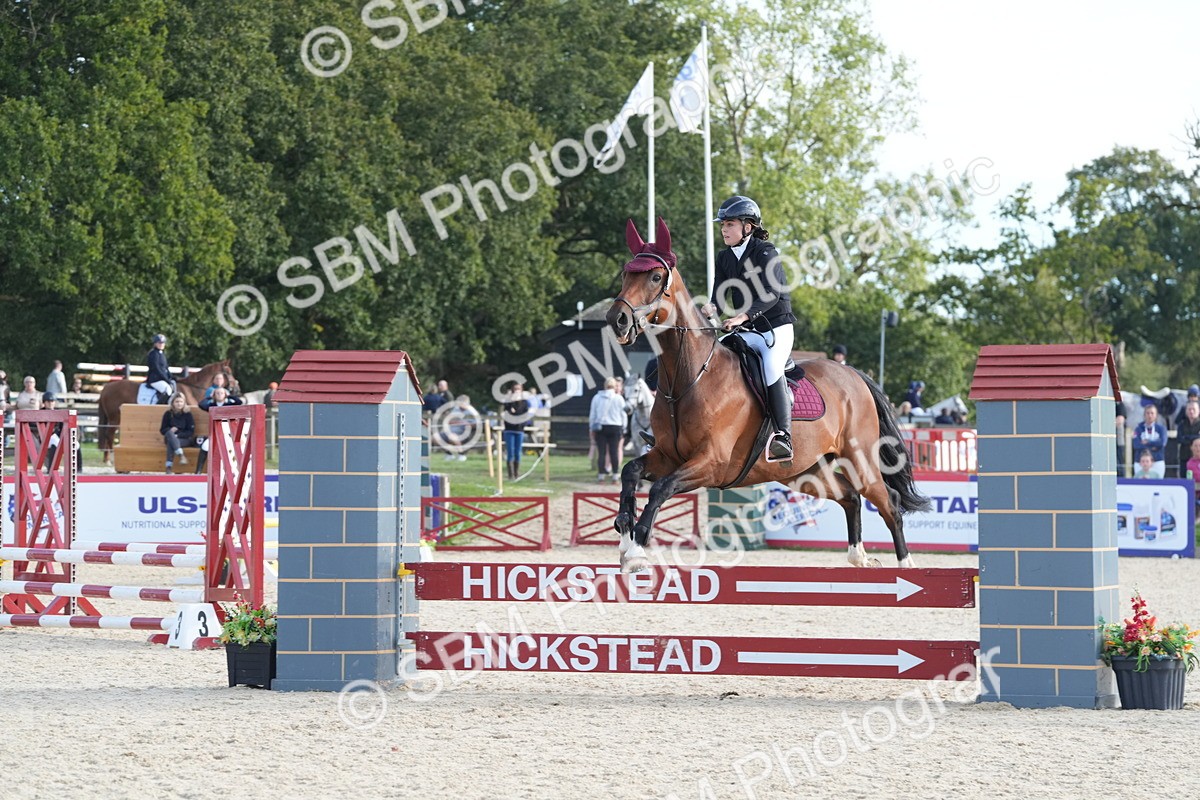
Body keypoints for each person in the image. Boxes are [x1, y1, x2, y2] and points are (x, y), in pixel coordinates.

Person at [700, 195, 797, 461]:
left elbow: (771, 293)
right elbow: (720, 296)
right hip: (749, 330)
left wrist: (742, 317)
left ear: (748, 226)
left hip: (775, 328)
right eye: (723, 225)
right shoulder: (725, 257)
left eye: (729, 224)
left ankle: (783, 436)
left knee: (770, 366)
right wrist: (708, 310)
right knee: (715, 360)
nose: (723, 229)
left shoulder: (766, 252)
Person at [590, 377, 629, 483]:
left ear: (605, 385)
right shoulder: (619, 398)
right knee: (614, 452)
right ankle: (615, 476)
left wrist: (591, 428)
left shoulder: (597, 397)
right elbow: (623, 415)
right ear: (614, 386)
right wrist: (624, 428)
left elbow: (592, 415)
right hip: (615, 427)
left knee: (601, 452)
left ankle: (601, 476)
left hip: (601, 427)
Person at [502, 381, 532, 479]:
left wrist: (521, 422)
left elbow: (525, 416)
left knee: (518, 452)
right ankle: (510, 474)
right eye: (515, 389)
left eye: (519, 389)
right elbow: (507, 413)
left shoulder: (524, 403)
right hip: (509, 429)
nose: (517, 391)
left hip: (519, 430)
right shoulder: (508, 402)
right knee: (510, 451)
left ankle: (516, 473)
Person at [160, 393, 197, 473]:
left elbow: (190, 432)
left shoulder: (187, 414)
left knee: (171, 442)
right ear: (173, 403)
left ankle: (169, 467)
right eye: (177, 402)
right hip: (170, 437)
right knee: (170, 434)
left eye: (181, 401)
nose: (179, 404)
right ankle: (181, 455)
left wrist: (177, 435)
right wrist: (170, 430)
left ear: (184, 403)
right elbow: (162, 430)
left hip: (184, 439)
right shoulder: (168, 414)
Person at [1132, 404, 1167, 478]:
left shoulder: (1161, 429)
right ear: (1144, 415)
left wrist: (1148, 442)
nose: (1150, 415)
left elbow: (1163, 443)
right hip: (1140, 462)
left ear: (1156, 415)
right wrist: (1153, 446)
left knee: (1158, 484)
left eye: (1152, 413)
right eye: (1147, 413)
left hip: (1158, 460)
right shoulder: (1138, 429)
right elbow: (1136, 444)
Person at [1174, 399, 1200, 479]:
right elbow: (1179, 439)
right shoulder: (1182, 424)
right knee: (1184, 479)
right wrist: (1194, 437)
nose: (1191, 411)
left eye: (1193, 409)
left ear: (1198, 411)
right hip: (1184, 457)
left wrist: (1187, 437)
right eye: (1189, 409)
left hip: (1198, 458)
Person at [146, 333, 174, 404]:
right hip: (155, 379)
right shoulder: (153, 354)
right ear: (155, 343)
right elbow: (156, 368)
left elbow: (166, 368)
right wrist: (166, 378)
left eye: (163, 343)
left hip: (161, 378)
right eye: (159, 343)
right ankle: (158, 406)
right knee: (168, 390)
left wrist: (171, 376)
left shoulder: (161, 354)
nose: (161, 344)